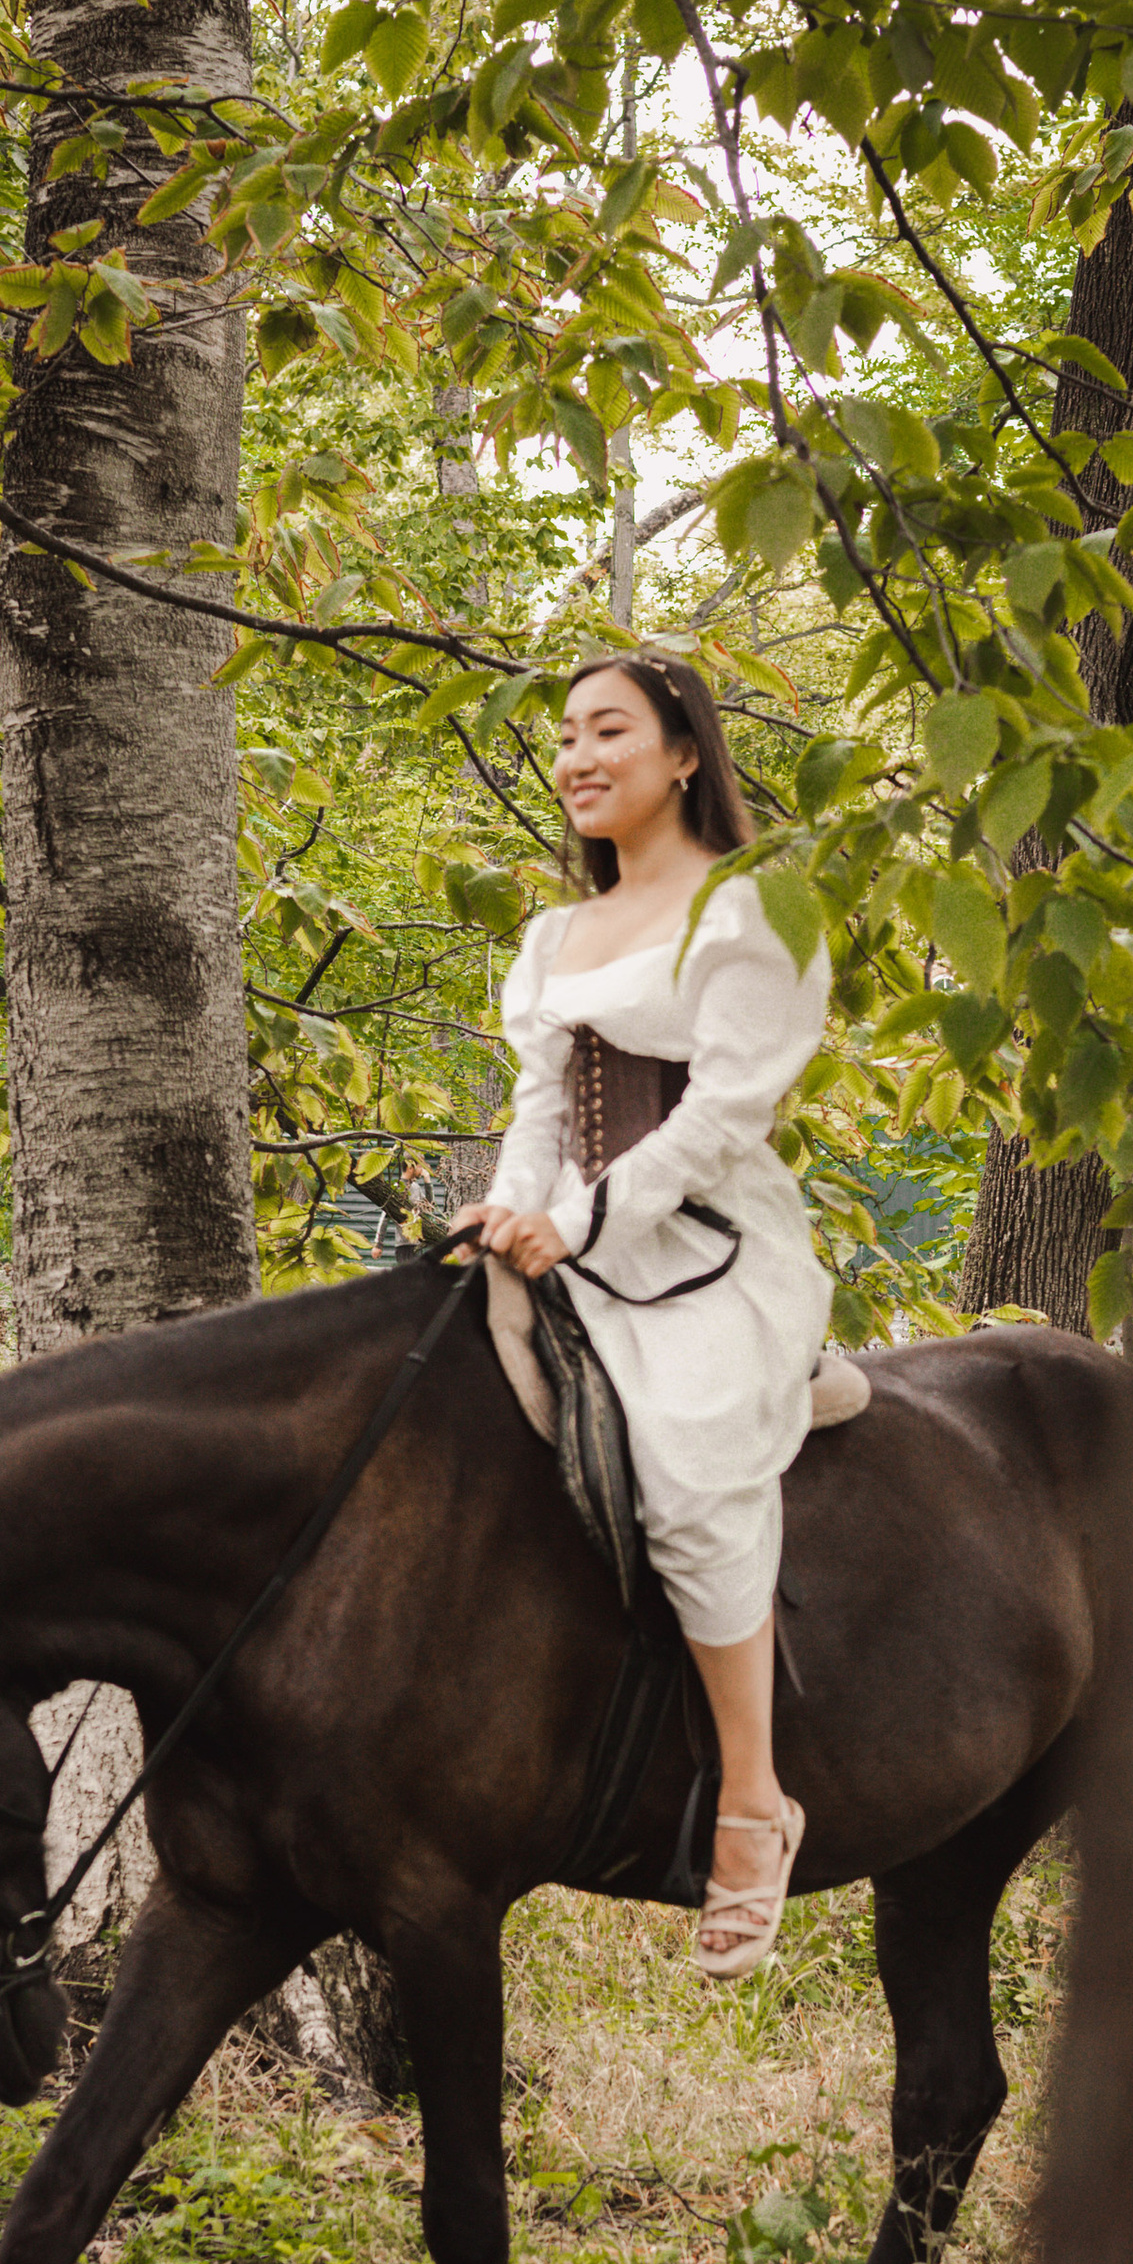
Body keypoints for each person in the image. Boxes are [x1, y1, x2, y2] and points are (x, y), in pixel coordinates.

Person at [454, 652, 833, 1982]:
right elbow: (538, 1114)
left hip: (709, 1240)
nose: (576, 757)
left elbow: (726, 1113)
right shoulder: (553, 939)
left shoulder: (753, 906)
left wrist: (586, 1221)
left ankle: (753, 1801)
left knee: (682, 1465)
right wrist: (511, 1211)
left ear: (683, 754)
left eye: (608, 730)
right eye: (565, 736)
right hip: (566, 1224)